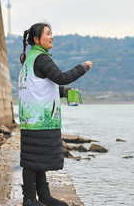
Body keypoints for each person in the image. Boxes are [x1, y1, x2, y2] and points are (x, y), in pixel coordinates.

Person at [18, 22, 93, 206]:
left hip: (32, 118)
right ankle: (29, 199)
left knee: (37, 158)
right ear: (37, 39)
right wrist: (82, 67)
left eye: (52, 33)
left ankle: (43, 196)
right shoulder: (42, 58)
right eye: (48, 34)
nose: (52, 37)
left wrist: (65, 91)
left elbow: (43, 86)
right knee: (32, 160)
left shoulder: (32, 58)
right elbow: (61, 77)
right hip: (40, 119)